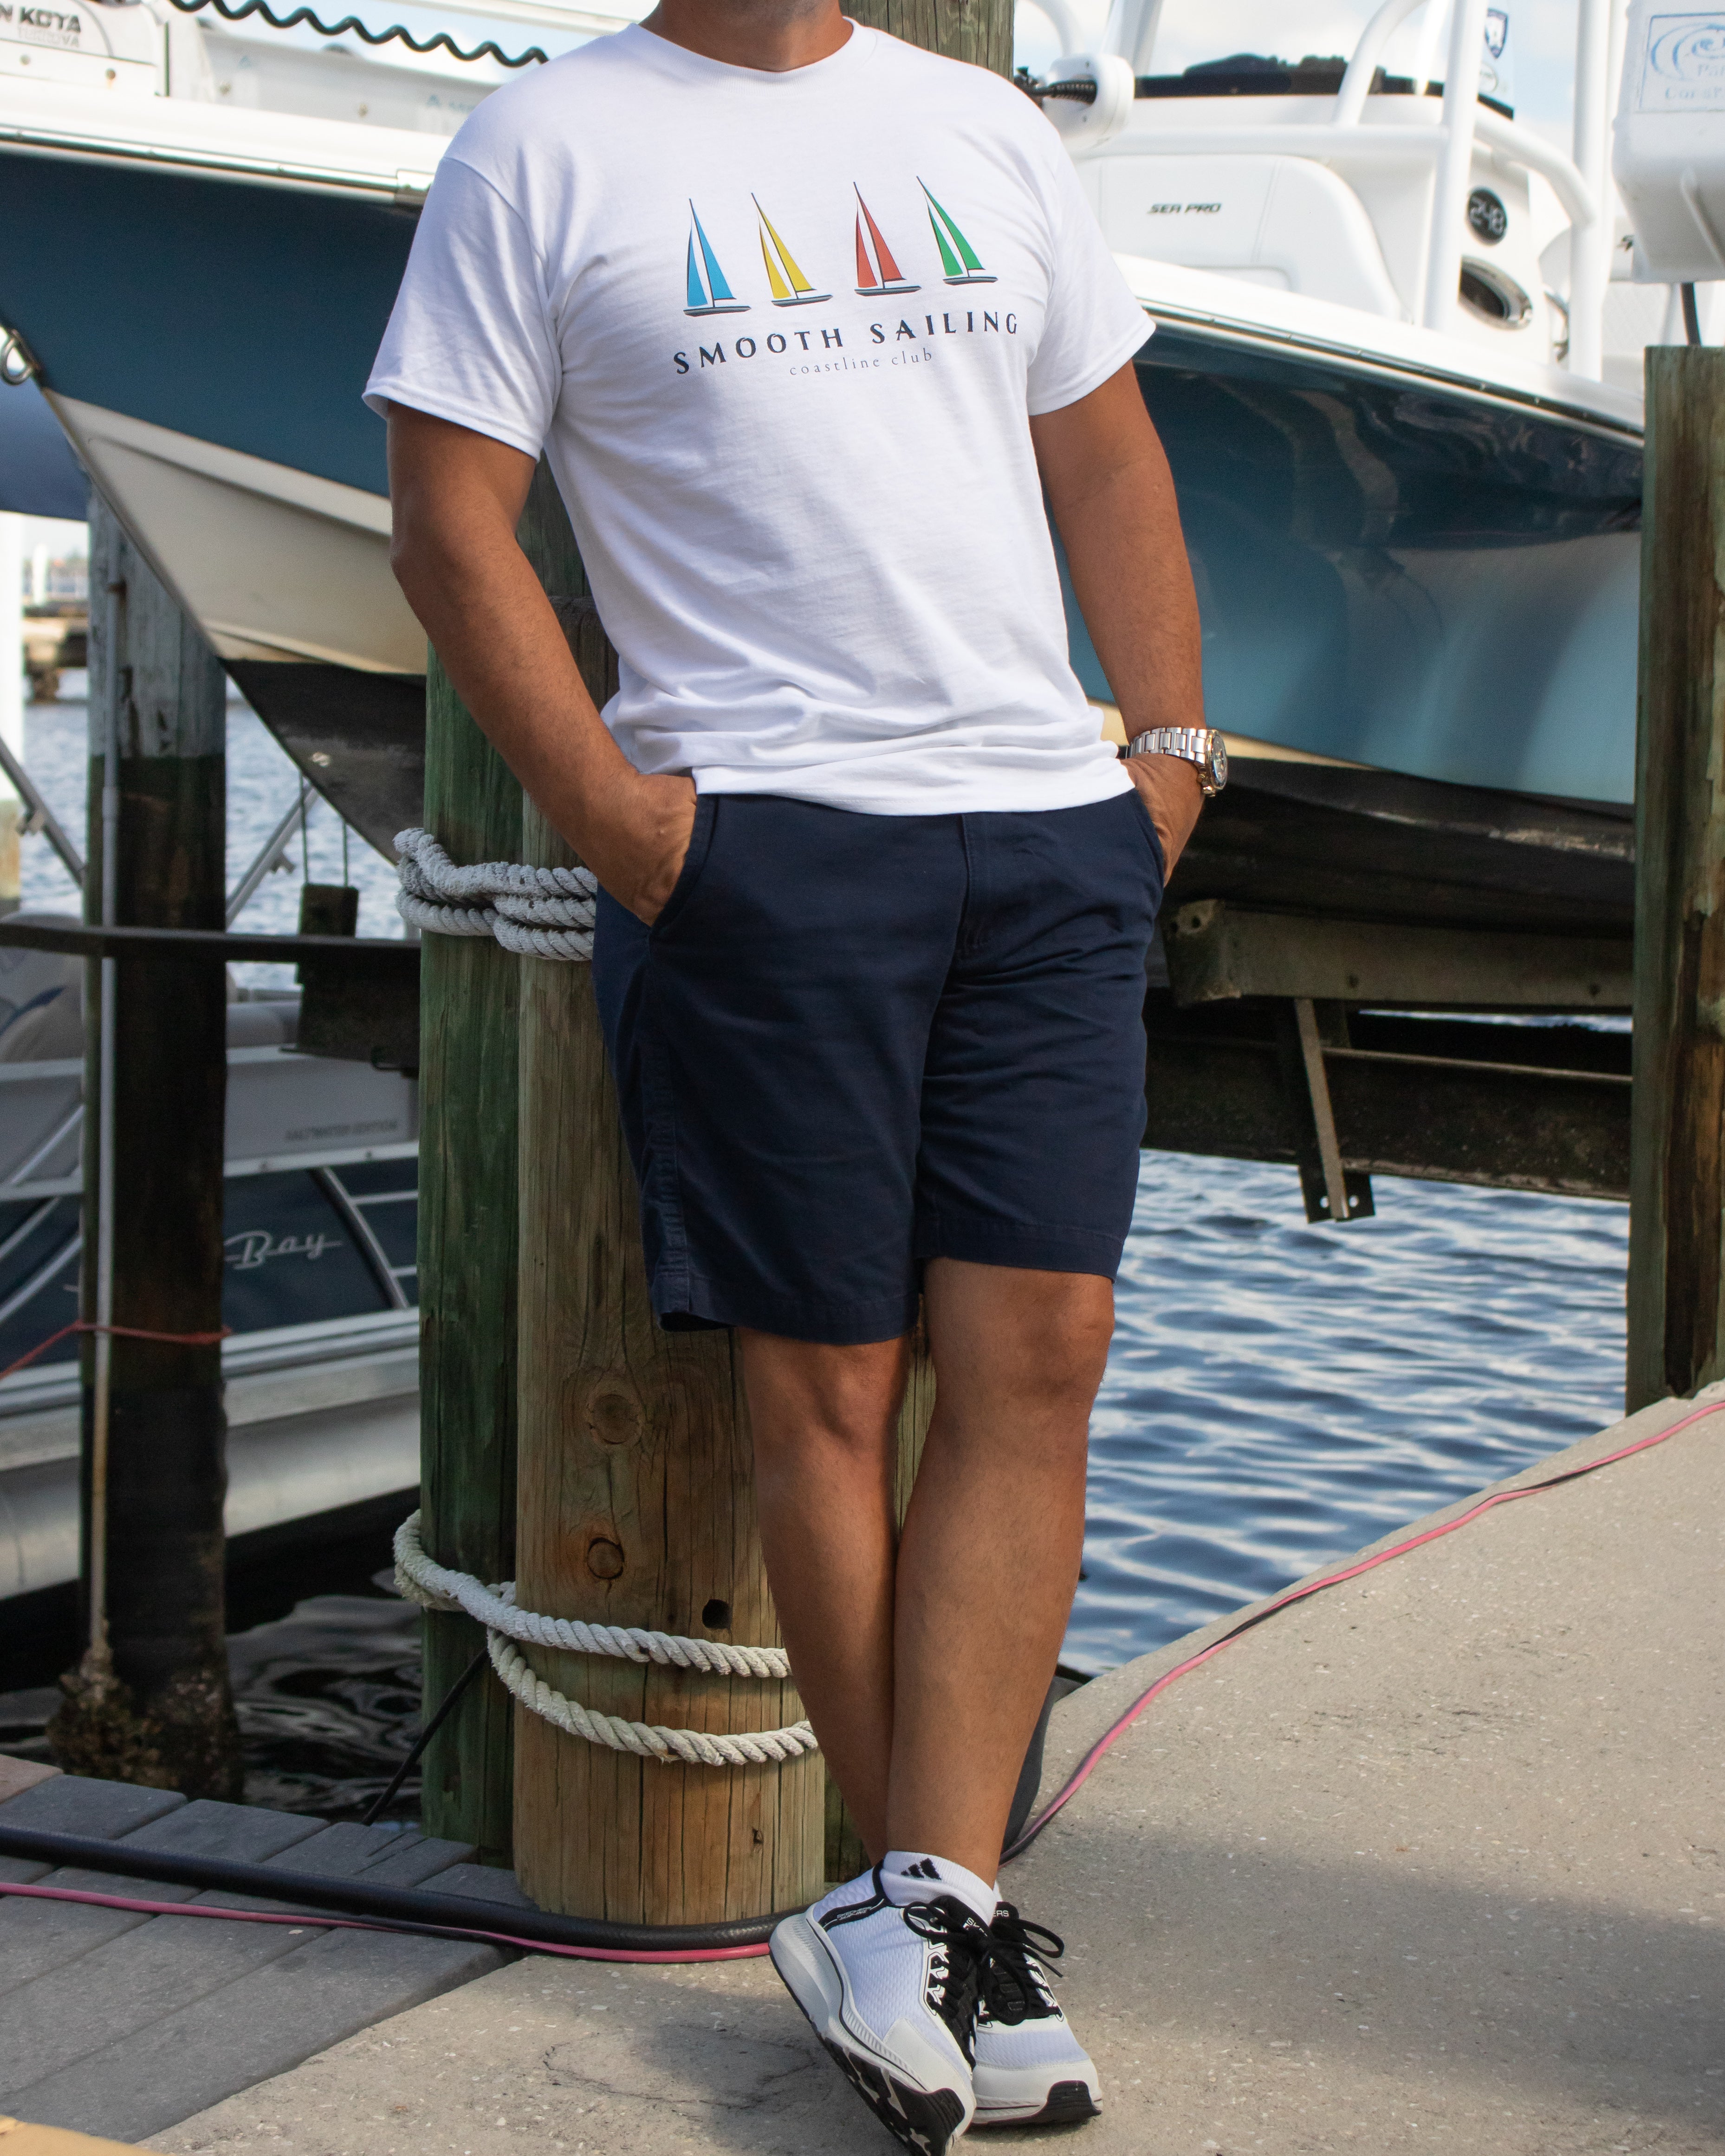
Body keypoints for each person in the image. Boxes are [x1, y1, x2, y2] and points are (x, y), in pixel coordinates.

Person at [369, 0, 1219, 2142]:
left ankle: (928, 1908)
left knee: (1041, 1350)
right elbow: (449, 520)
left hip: (1043, 830)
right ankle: (931, 1913)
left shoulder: (976, 127)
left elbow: (1104, 452)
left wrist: (1167, 756)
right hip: (761, 839)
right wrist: (622, 828)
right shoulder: (544, 146)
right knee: (827, 1383)